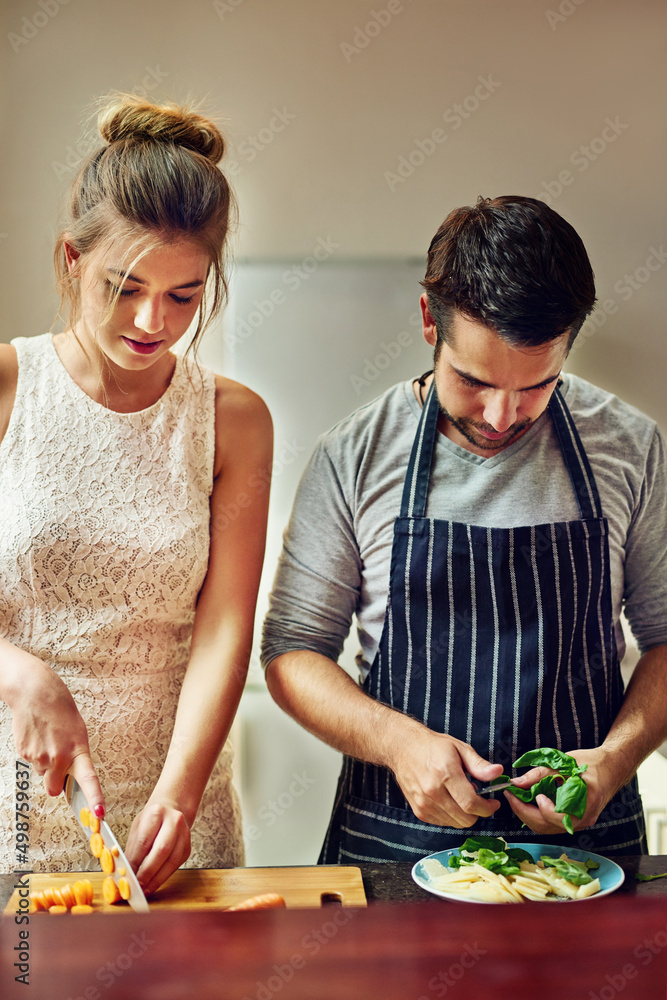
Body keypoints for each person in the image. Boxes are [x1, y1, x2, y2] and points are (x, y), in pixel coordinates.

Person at [261, 195, 667, 862]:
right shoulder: (355, 454)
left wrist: (615, 761)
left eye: (536, 386)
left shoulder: (629, 447)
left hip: (583, 853)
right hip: (396, 842)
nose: (502, 416)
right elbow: (291, 652)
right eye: (474, 380)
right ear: (429, 320)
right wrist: (397, 745)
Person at [0, 94, 273, 892]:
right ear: (72, 260)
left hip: (174, 806)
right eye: (124, 285)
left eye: (183, 295)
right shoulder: (9, 388)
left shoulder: (235, 421)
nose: (153, 319)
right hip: (15, 796)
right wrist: (18, 672)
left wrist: (181, 798)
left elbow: (224, 629)